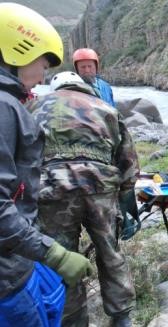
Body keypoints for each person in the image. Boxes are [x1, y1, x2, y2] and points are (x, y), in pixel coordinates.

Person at [0, 3, 93, 326]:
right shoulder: (4, 108)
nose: (43, 74)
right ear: (14, 53)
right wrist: (52, 253)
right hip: (7, 278)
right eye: (42, 61)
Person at [26, 71, 139, 327]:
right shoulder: (106, 108)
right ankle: (122, 316)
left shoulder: (32, 107)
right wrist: (123, 197)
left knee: (63, 256)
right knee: (110, 252)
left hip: (52, 191)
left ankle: (72, 319)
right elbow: (129, 162)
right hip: (100, 189)